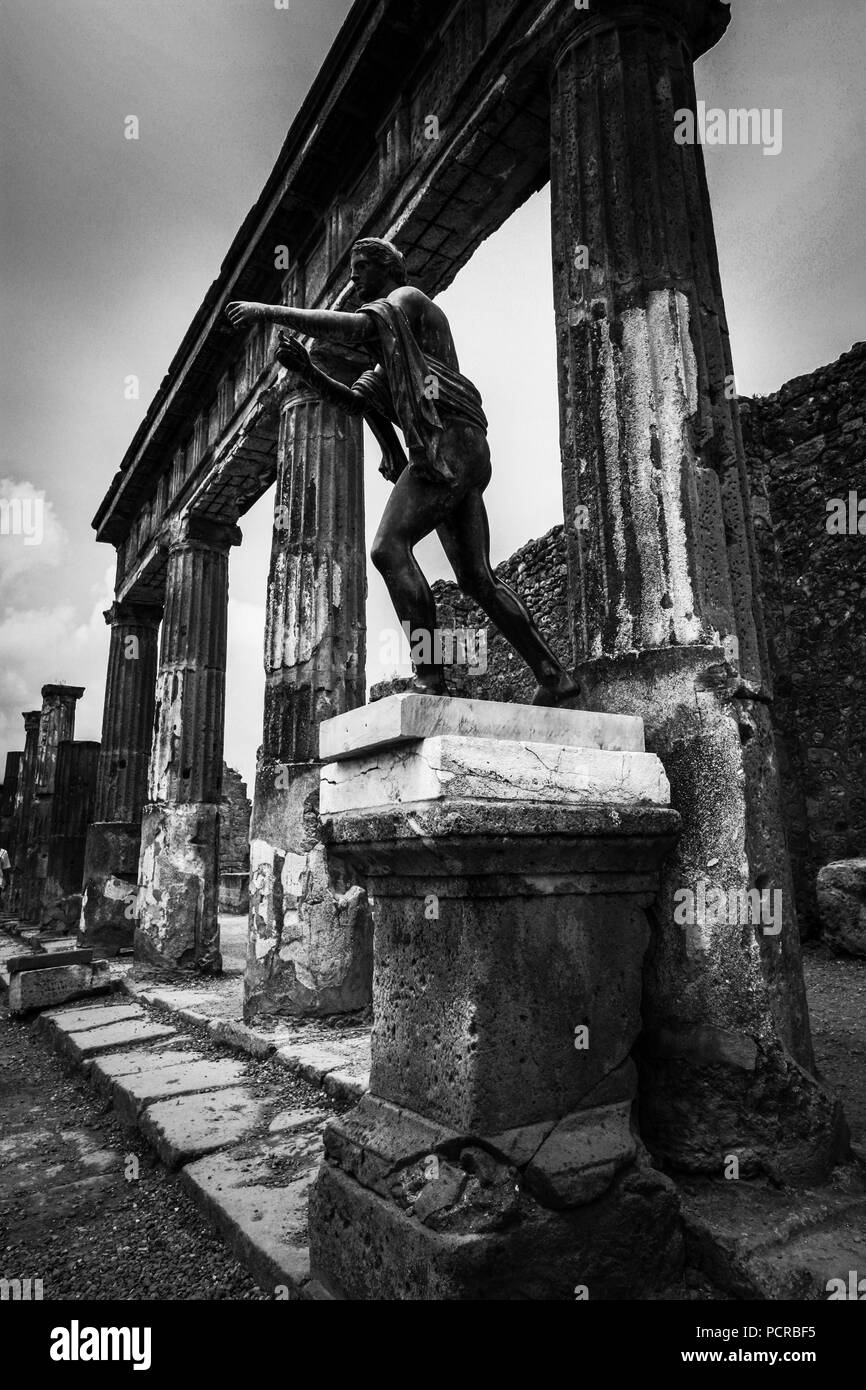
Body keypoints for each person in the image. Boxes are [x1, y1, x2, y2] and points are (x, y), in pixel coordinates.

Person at [226, 237, 580, 706]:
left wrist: (268, 311)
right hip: (462, 451)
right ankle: (553, 676)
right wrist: (307, 370)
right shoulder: (390, 363)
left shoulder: (408, 301)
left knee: (387, 548)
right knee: (476, 578)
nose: (353, 282)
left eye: (359, 270)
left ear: (386, 268)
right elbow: (355, 401)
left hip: (448, 444)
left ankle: (429, 677)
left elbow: (354, 329)